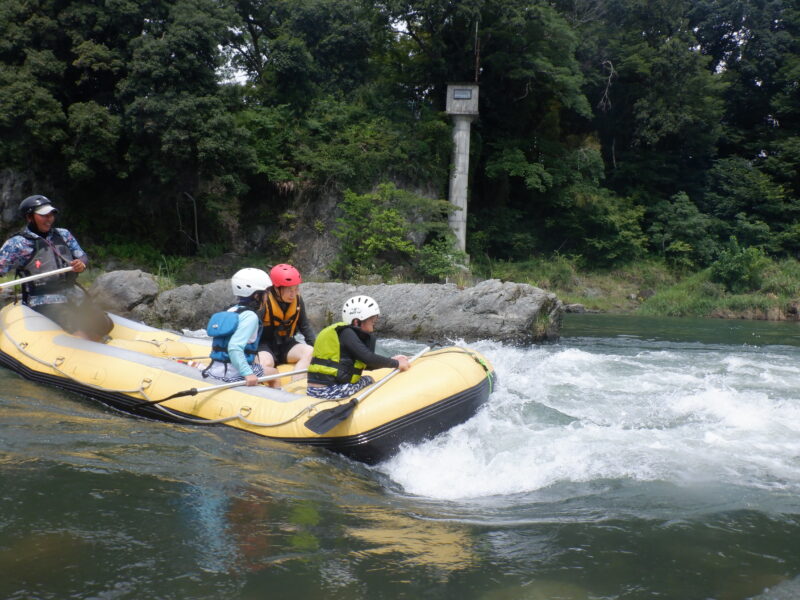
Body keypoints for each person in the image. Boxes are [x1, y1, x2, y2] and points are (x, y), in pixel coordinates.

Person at [0, 194, 112, 341]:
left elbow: (82, 256)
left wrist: (81, 264)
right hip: (43, 300)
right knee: (76, 326)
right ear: (29, 217)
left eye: (51, 214)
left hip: (73, 294)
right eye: (44, 215)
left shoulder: (63, 234)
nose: (49, 219)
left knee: (105, 324)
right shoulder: (17, 244)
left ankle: (95, 342)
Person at [306, 295, 410, 399]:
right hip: (330, 391)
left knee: (366, 378)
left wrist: (392, 360)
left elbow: (366, 364)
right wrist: (396, 363)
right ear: (356, 321)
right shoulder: (346, 333)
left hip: (317, 390)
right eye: (372, 320)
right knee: (368, 380)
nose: (374, 323)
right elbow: (368, 358)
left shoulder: (345, 334)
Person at [203, 268, 271, 386]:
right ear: (256, 295)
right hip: (232, 374)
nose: (267, 296)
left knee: (257, 366)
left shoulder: (230, 310)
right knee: (274, 374)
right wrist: (247, 373)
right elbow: (234, 347)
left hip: (215, 369)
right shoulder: (250, 316)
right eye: (265, 293)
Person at [257, 263, 316, 382]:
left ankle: (295, 386)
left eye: (296, 289)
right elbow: (252, 331)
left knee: (310, 352)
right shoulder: (264, 301)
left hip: (286, 344)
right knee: (266, 362)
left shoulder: (298, 300)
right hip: (265, 345)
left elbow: (305, 326)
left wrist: (317, 348)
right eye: (289, 290)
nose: (293, 294)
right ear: (277, 288)